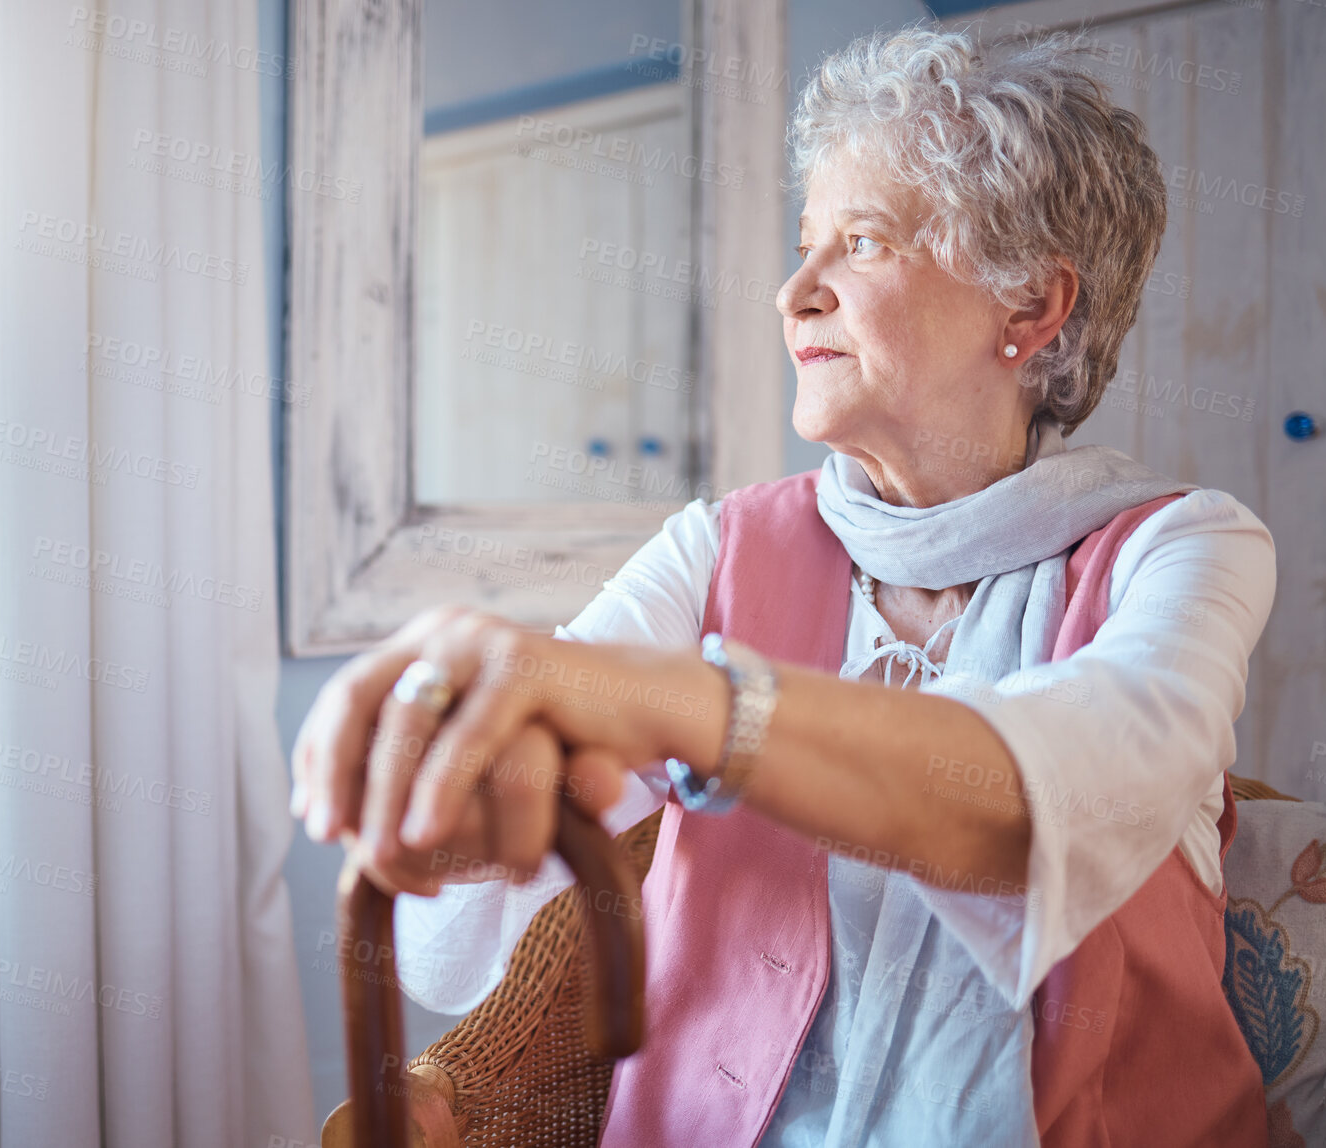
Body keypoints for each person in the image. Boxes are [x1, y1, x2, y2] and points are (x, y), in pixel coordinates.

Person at [291, 25, 1276, 1146]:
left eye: (857, 243)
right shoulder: (714, 548)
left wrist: (681, 702)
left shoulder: (1186, 549)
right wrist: (458, 763)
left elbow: (1048, 800)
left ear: (1029, 309)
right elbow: (532, 769)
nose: (792, 291)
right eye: (804, 243)